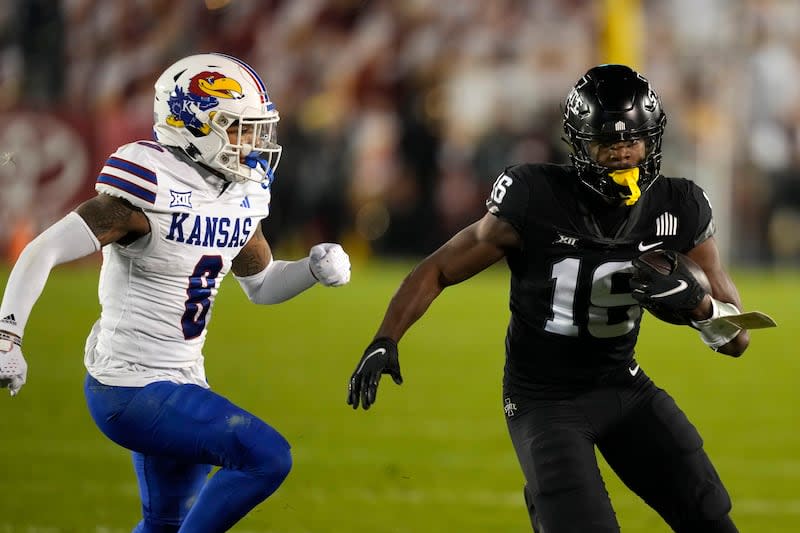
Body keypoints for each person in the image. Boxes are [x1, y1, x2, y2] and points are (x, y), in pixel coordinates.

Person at [347, 64, 750, 533]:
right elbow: (437, 268)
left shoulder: (678, 206)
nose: (623, 157)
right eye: (608, 145)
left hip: (624, 386)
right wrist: (386, 337)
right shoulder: (534, 198)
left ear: (653, 140)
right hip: (544, 401)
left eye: (632, 142)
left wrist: (700, 308)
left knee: (710, 516)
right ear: (580, 146)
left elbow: (738, 338)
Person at [0, 53, 351, 532]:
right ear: (192, 123)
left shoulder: (239, 194)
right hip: (129, 386)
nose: (254, 143)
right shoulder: (148, 184)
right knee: (267, 457)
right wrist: (8, 337)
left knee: (166, 524)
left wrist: (311, 269)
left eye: (256, 129)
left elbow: (262, 286)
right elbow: (40, 251)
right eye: (239, 128)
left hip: (181, 381)